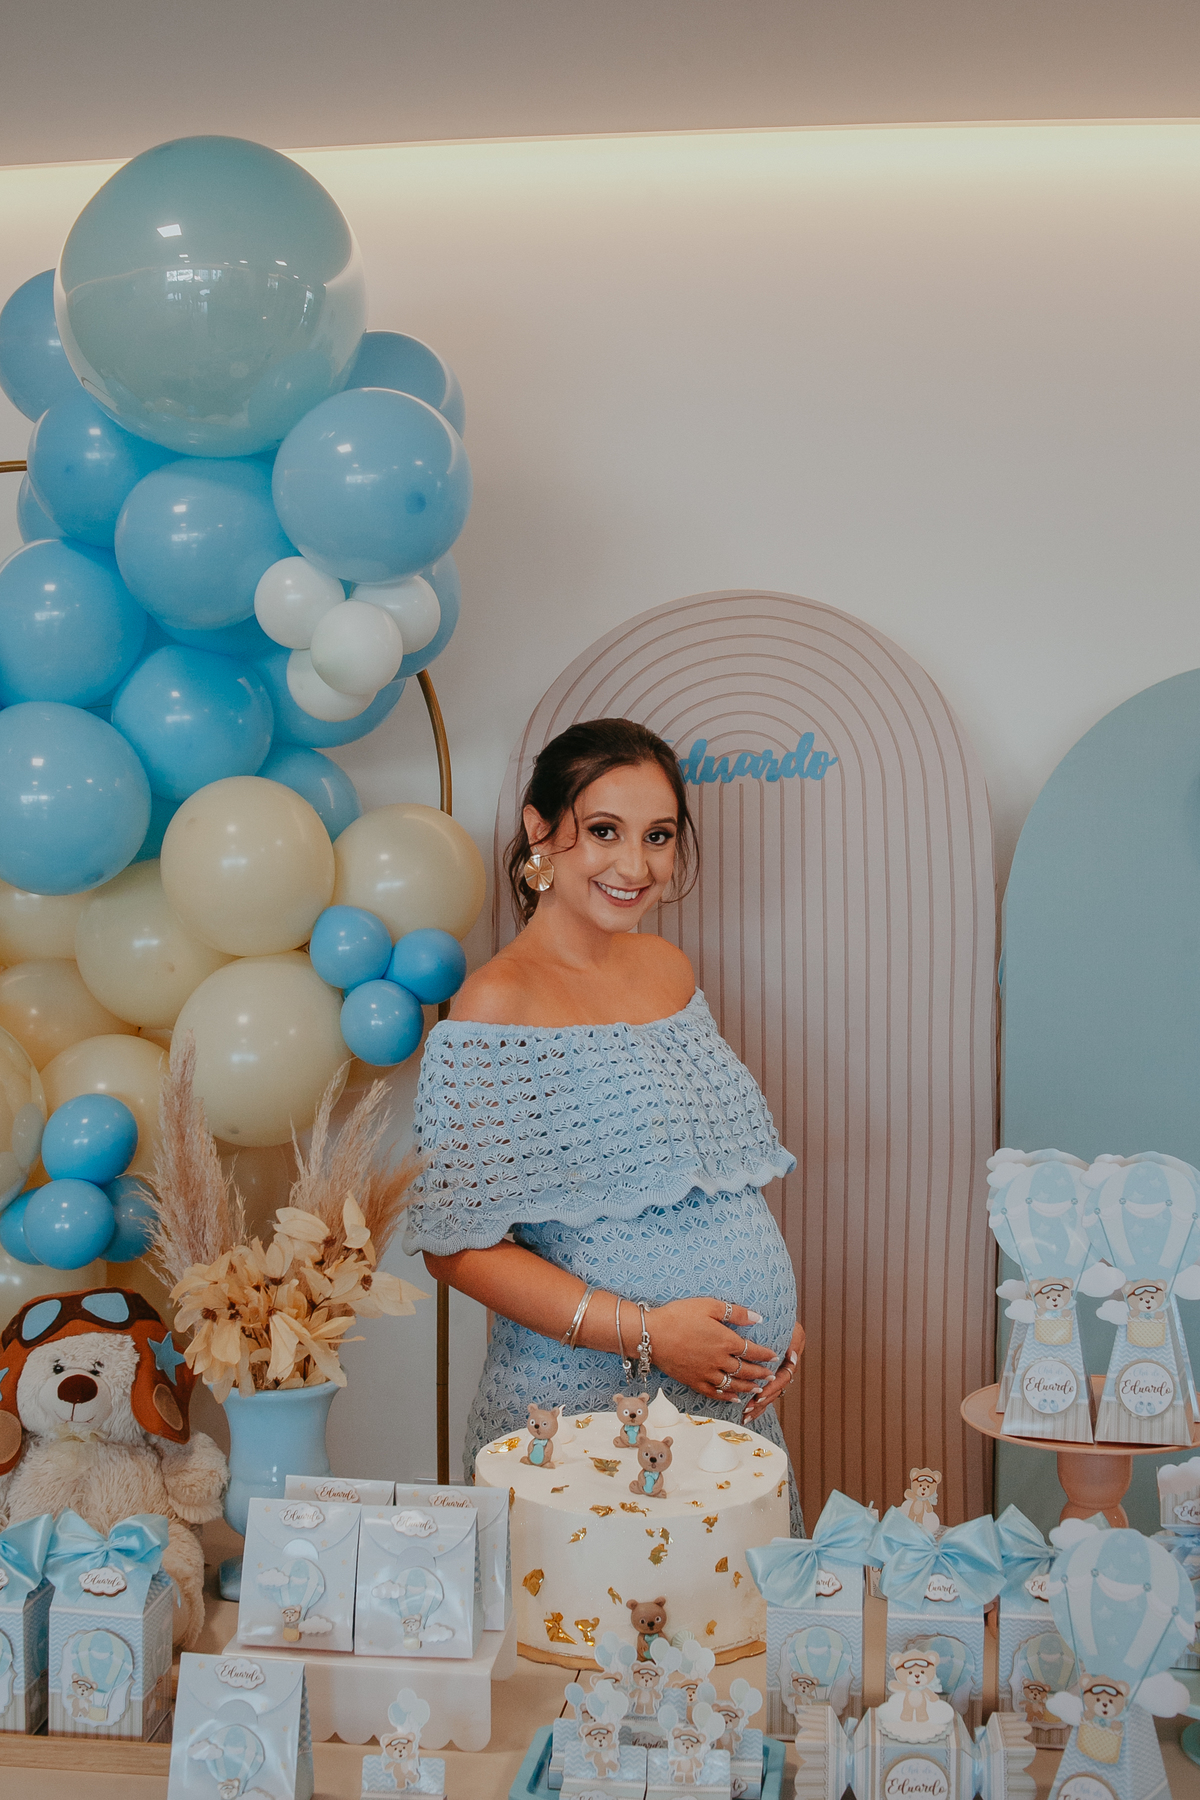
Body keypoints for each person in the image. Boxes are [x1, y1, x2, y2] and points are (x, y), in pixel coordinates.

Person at [402, 718, 805, 1532]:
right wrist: (651, 1334)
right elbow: (455, 1247)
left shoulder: (667, 969)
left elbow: (704, 1180)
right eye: (604, 833)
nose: (636, 866)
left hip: (726, 1406)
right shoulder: (495, 1007)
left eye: (658, 836)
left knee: (725, 1640)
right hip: (583, 1420)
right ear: (539, 833)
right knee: (599, 1647)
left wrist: (770, 1328)